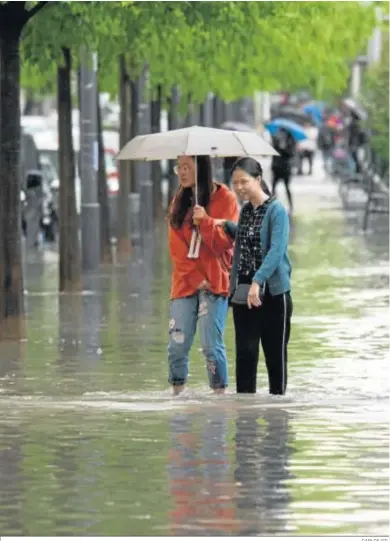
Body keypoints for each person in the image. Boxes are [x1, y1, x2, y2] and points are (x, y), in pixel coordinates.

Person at [219, 157, 293, 395]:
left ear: (258, 179)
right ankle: (245, 424)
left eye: (244, 181)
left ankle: (278, 422)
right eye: (235, 183)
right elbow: (242, 242)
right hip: (244, 295)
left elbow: (276, 250)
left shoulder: (277, 211)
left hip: (273, 295)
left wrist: (257, 281)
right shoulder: (246, 211)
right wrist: (221, 224)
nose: (239, 187)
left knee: (275, 360)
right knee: (245, 357)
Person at [167, 155, 240, 395]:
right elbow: (176, 250)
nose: (182, 172)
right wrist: (197, 279)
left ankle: (219, 397)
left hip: (216, 284)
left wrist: (206, 222)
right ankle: (178, 395)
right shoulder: (179, 200)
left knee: (211, 346)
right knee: (177, 345)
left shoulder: (226, 199)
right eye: (180, 167)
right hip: (185, 284)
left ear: (202, 168)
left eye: (187, 167)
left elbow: (226, 244)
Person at [271, 128, 296, 212]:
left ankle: (291, 205)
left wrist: (284, 148)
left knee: (287, 187)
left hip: (285, 168)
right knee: (274, 187)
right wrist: (279, 147)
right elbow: (273, 153)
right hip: (277, 167)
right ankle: (273, 205)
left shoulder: (290, 140)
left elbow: (291, 154)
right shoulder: (275, 140)